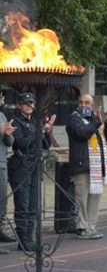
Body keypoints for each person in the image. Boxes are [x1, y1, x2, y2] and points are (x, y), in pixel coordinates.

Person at [66, 94, 107, 240]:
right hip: (81, 165)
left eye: (87, 102)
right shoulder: (74, 119)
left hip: (96, 166)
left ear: (92, 105)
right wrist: (96, 122)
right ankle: (82, 227)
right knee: (82, 197)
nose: (84, 105)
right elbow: (83, 133)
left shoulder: (95, 119)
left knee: (95, 197)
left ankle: (91, 226)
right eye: (81, 102)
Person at [8, 92, 52, 251]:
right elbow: (20, 143)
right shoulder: (15, 122)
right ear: (20, 104)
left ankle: (29, 237)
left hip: (34, 163)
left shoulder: (34, 122)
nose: (29, 106)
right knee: (23, 205)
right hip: (21, 164)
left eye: (31, 103)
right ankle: (23, 239)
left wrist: (46, 132)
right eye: (26, 103)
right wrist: (38, 131)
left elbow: (46, 145)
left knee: (34, 204)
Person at [0, 91, 15, 250]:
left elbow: (8, 141)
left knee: (2, 201)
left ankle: (0, 230)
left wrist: (8, 134)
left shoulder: (2, 116)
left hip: (2, 161)